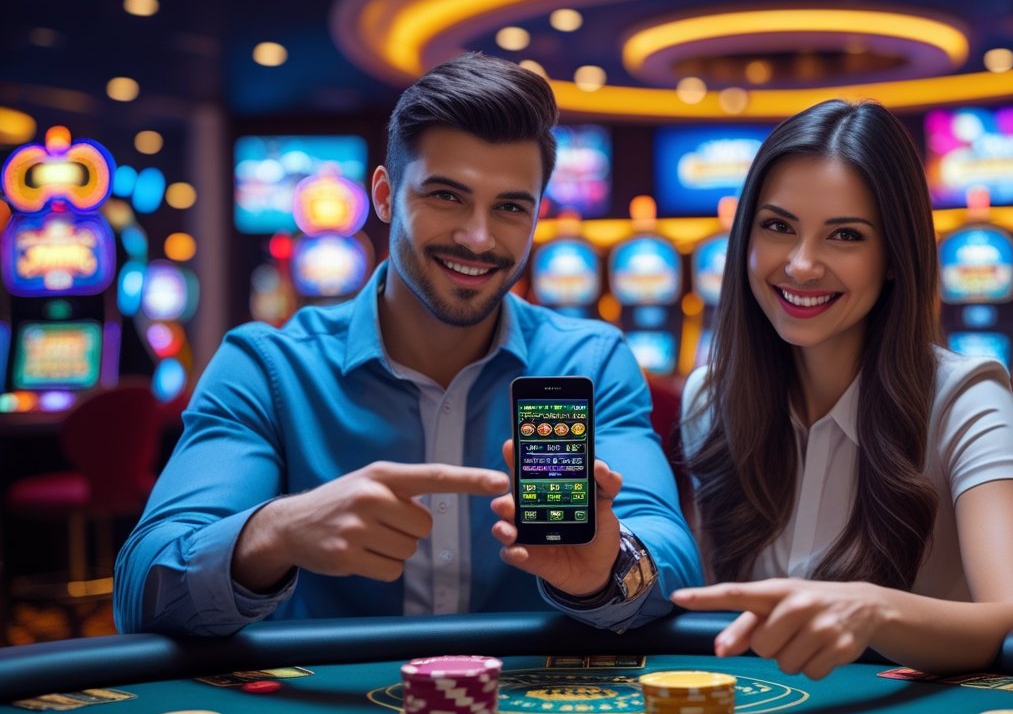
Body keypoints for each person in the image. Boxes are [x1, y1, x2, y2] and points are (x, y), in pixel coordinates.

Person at [114, 52, 702, 636]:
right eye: (446, 196)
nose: (478, 237)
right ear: (385, 194)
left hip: (533, 693)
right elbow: (143, 590)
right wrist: (277, 532)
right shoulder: (266, 368)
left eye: (509, 207)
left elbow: (672, 555)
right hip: (331, 695)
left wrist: (608, 570)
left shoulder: (589, 362)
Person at [672, 99, 1013, 679]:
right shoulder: (710, 397)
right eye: (778, 227)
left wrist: (875, 611)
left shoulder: (966, 397)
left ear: (894, 257)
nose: (802, 265)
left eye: (845, 235)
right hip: (761, 709)